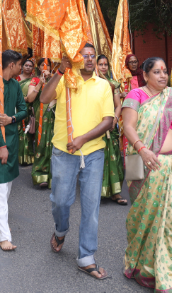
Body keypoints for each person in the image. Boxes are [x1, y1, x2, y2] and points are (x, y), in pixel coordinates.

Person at [39, 43, 115, 280]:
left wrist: (83, 139)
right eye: (85, 56)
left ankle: (86, 257)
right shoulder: (65, 80)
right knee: (61, 201)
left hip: (93, 152)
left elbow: (109, 120)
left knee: (91, 207)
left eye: (93, 56)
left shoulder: (103, 85)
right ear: (77, 58)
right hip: (64, 151)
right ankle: (61, 230)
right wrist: (60, 71)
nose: (90, 59)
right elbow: (43, 98)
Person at [121, 57, 172, 291]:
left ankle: (171, 274)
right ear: (145, 75)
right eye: (157, 72)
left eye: (165, 71)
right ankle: (144, 268)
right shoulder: (136, 96)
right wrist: (142, 150)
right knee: (147, 218)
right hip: (149, 165)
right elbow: (128, 127)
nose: (163, 76)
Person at [0, 50, 27, 251]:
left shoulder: (16, 85)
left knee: (7, 185)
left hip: (12, 140)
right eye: (20, 64)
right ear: (12, 65)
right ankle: (4, 236)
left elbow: (24, 109)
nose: (22, 67)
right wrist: (1, 146)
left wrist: (12, 119)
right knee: (0, 187)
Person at [96, 55, 127, 205]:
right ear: (96, 66)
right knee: (97, 157)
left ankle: (115, 193)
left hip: (110, 125)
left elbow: (118, 105)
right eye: (100, 64)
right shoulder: (91, 84)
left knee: (114, 157)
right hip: (95, 125)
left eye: (105, 65)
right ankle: (98, 192)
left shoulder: (113, 84)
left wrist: (114, 118)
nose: (103, 67)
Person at [31, 58, 55, 188]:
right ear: (39, 67)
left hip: (54, 117)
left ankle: (52, 177)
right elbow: (30, 98)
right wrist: (41, 82)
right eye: (42, 65)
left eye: (48, 65)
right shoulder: (35, 80)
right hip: (41, 117)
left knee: (53, 146)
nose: (45, 67)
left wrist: (51, 78)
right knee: (41, 146)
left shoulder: (56, 80)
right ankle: (40, 175)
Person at [16, 57, 38, 166]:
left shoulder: (34, 80)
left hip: (29, 109)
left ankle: (28, 157)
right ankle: (18, 157)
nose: (28, 67)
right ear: (22, 67)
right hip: (16, 108)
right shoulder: (16, 79)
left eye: (30, 66)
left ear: (33, 68)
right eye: (26, 65)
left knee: (28, 132)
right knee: (18, 132)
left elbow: (33, 97)